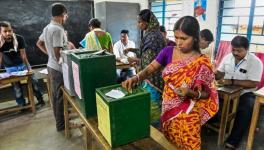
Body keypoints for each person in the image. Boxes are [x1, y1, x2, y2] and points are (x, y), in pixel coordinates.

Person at [122, 16, 218, 150]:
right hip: (168, 107)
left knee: (189, 143)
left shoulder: (202, 62)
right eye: (176, 37)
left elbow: (207, 94)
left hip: (188, 113)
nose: (178, 42)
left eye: (184, 38)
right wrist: (136, 78)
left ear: (195, 38)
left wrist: (191, 93)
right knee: (168, 142)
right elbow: (150, 68)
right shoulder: (168, 51)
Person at [215, 36, 263, 150]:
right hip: (226, 90)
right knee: (210, 99)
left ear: (247, 49)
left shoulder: (255, 62)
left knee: (246, 108)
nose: (235, 53)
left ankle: (233, 141)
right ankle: (213, 124)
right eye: (233, 49)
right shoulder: (228, 57)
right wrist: (215, 73)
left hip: (245, 93)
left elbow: (254, 83)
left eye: (239, 50)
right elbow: (220, 73)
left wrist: (231, 81)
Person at [36, 3, 68, 132]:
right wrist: (67, 54)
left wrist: (49, 54)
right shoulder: (58, 29)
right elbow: (57, 52)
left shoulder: (47, 27)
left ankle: (59, 124)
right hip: (58, 69)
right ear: (63, 14)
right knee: (59, 97)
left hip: (50, 65)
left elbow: (39, 43)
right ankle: (61, 125)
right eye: (66, 15)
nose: (66, 18)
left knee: (55, 97)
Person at [0, 21, 45, 107]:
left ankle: (40, 99)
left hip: (22, 65)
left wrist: (29, 70)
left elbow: (24, 56)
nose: (8, 33)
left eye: (10, 30)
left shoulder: (19, 39)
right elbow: (0, 58)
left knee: (33, 82)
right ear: (0, 32)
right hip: (10, 68)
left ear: (12, 30)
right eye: (5, 31)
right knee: (17, 88)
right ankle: (22, 105)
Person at [126, 9, 166, 90]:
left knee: (152, 100)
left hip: (153, 77)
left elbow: (151, 62)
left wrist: (135, 60)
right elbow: (145, 52)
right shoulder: (151, 33)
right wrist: (131, 49)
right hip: (149, 74)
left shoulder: (153, 37)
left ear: (147, 22)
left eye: (139, 22)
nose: (138, 25)